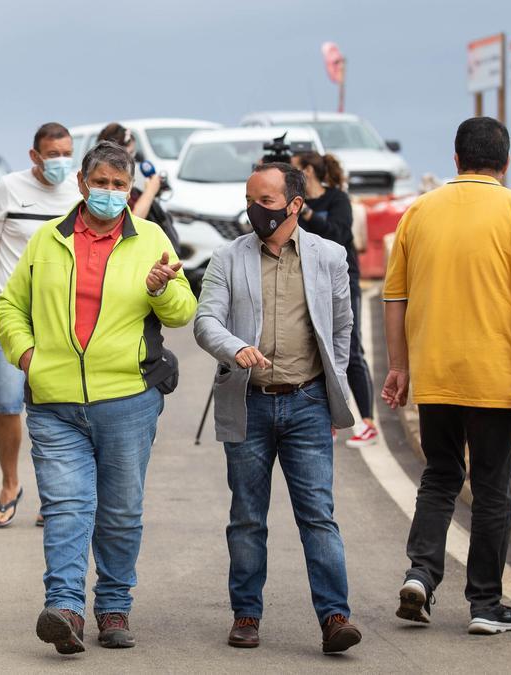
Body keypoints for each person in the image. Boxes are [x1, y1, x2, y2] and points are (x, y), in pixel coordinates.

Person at [0, 141, 196, 654]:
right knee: (66, 508)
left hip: (127, 400)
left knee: (121, 511)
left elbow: (181, 313)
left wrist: (159, 288)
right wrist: (27, 359)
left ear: (129, 190)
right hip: (54, 401)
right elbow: (9, 308)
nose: (110, 193)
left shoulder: (151, 238)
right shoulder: (47, 240)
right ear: (82, 184)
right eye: (101, 183)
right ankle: (64, 608)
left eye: (120, 186)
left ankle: (112, 607)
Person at [382, 117, 511, 636]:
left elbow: (395, 298)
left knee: (439, 476)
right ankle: (484, 602)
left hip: (435, 374)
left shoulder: (419, 212)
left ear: (455, 160)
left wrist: (399, 367)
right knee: (493, 490)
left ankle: (421, 574)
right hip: (495, 377)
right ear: (505, 162)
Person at [194, 161, 361, 655]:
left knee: (318, 515)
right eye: (249, 200)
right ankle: (246, 614)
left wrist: (333, 392)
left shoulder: (328, 256)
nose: (254, 210)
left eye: (264, 201)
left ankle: (335, 617)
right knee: (247, 517)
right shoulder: (227, 258)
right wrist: (233, 349)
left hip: (307, 403)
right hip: (249, 403)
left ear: (294, 205)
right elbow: (206, 322)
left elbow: (342, 330)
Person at [0, 122, 82, 527]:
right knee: (8, 402)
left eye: (67, 153)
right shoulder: (9, 188)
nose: (61, 162)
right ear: (34, 156)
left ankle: (56, 495)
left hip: (63, 319)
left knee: (58, 406)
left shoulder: (81, 192)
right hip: (12, 315)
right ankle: (11, 483)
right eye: (53, 154)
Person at [292, 151, 376, 447]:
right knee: (316, 348)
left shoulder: (336, 200)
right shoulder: (292, 204)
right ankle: (325, 418)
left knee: (350, 347)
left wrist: (309, 215)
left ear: (309, 172)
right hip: (308, 279)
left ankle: (367, 421)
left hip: (342, 279)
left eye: (295, 170)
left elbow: (340, 234)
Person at [94, 123, 179, 249]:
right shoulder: (105, 191)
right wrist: (150, 191)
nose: (133, 158)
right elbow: (132, 222)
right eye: (131, 153)